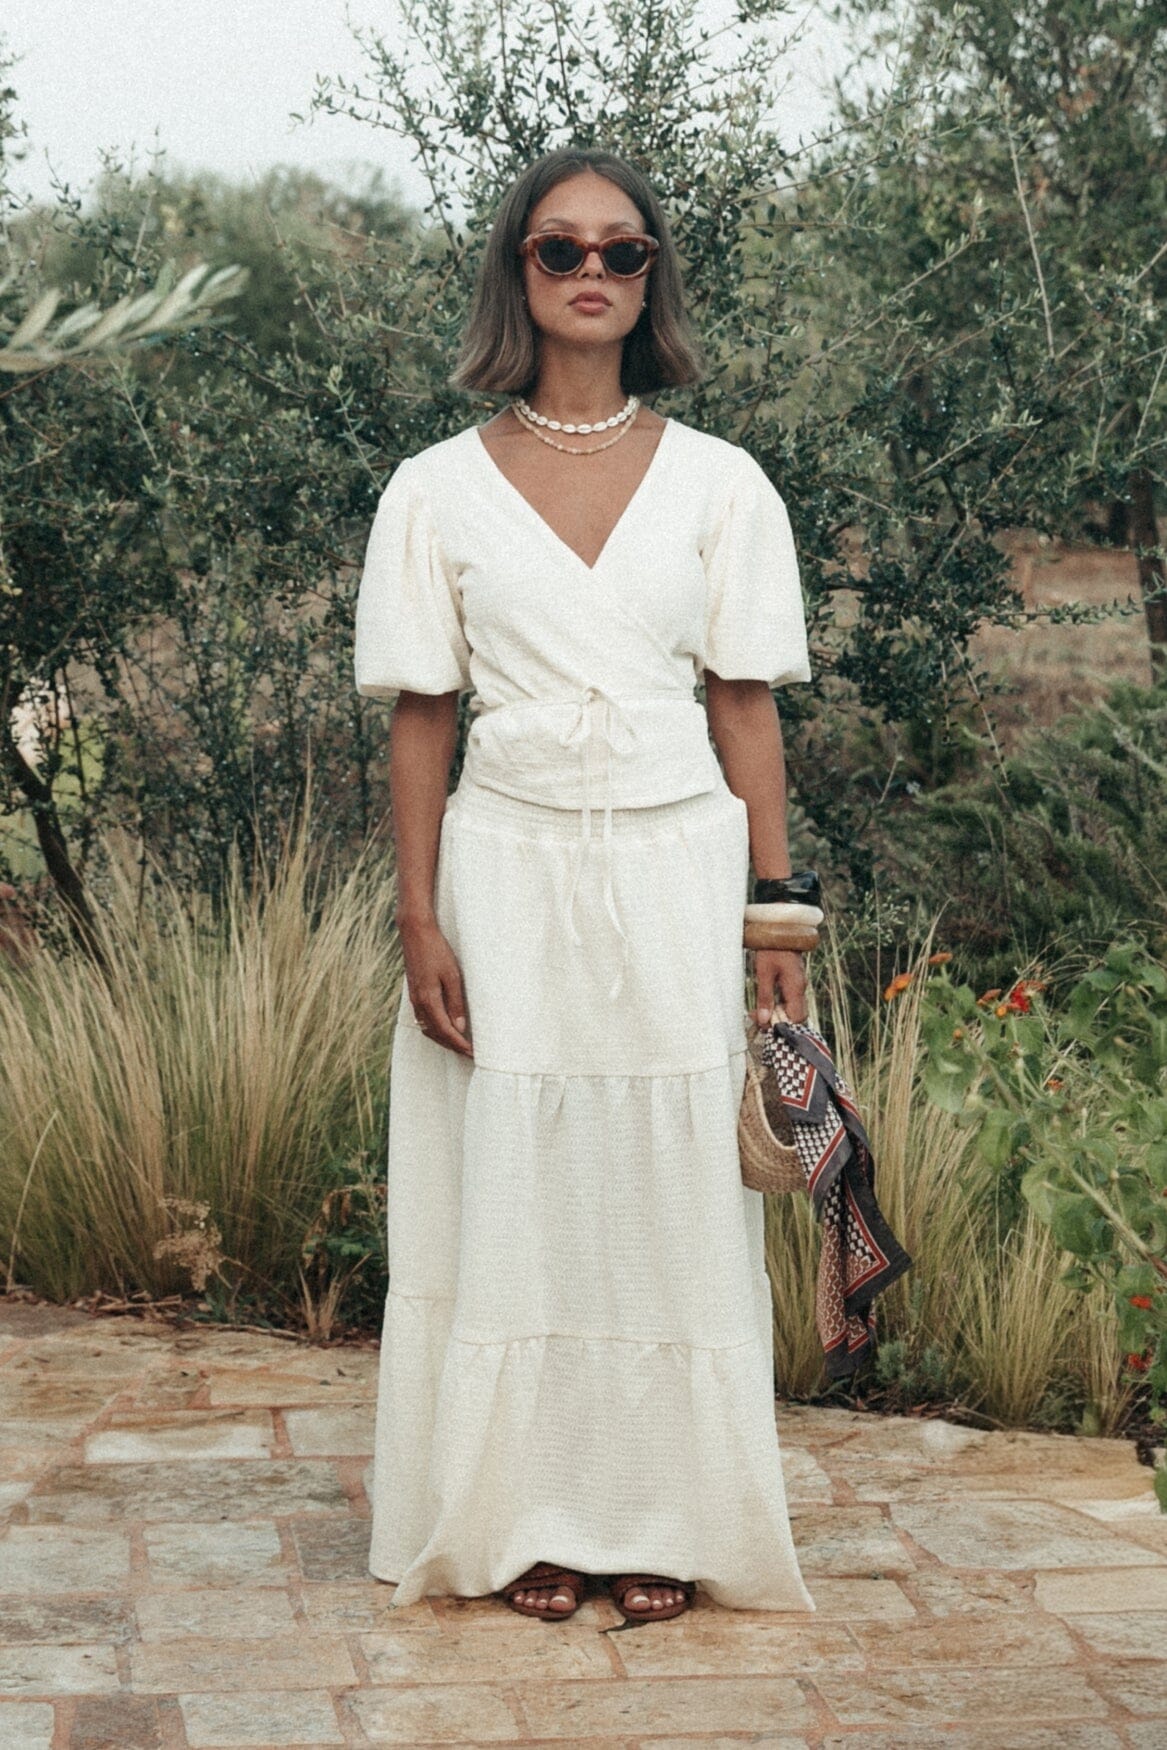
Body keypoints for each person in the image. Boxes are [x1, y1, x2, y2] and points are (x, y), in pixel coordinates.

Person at [354, 145, 815, 1626]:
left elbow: (745, 704)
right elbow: (422, 714)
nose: (595, 271)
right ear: (521, 272)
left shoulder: (723, 484)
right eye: (562, 249)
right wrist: (420, 915)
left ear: (651, 275)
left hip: (678, 868)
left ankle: (663, 1513)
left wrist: (776, 912)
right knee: (519, 1193)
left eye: (624, 249)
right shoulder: (433, 491)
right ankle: (525, 1517)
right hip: (506, 870)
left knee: (669, 1189)